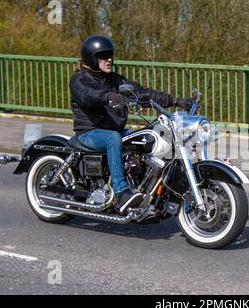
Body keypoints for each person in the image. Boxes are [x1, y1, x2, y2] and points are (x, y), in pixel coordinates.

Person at [69, 35, 192, 214]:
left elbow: (143, 93)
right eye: (103, 55)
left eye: (110, 55)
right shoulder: (79, 79)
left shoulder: (115, 80)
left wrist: (175, 100)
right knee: (113, 138)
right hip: (89, 132)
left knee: (150, 135)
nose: (109, 59)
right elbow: (87, 95)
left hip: (115, 129)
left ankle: (151, 188)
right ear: (91, 58)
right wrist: (107, 97)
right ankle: (121, 192)